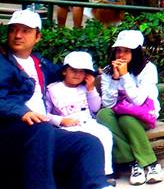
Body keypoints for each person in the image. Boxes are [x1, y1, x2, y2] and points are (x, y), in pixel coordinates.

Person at [0, 10, 109, 189]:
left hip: (39, 133)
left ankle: (97, 186)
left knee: (88, 143)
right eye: (13, 30)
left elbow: (63, 72)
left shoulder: (38, 62)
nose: (18, 35)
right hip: (6, 134)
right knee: (42, 129)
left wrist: (91, 73)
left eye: (25, 31)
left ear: (37, 37)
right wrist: (22, 112)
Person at [98, 30, 164, 185]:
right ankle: (134, 163)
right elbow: (108, 104)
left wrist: (125, 76)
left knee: (126, 119)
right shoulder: (109, 71)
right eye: (118, 50)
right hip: (119, 113)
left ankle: (151, 164)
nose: (121, 55)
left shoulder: (148, 69)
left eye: (127, 51)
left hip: (144, 114)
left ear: (136, 52)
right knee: (103, 115)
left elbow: (139, 101)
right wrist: (115, 79)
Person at [46, 51, 115, 179]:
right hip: (67, 127)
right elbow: (45, 113)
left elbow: (95, 108)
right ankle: (81, 174)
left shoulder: (85, 88)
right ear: (64, 71)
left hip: (88, 123)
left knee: (104, 134)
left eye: (81, 71)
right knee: (81, 143)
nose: (77, 74)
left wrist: (91, 89)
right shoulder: (52, 89)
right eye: (73, 70)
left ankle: (105, 173)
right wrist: (61, 120)